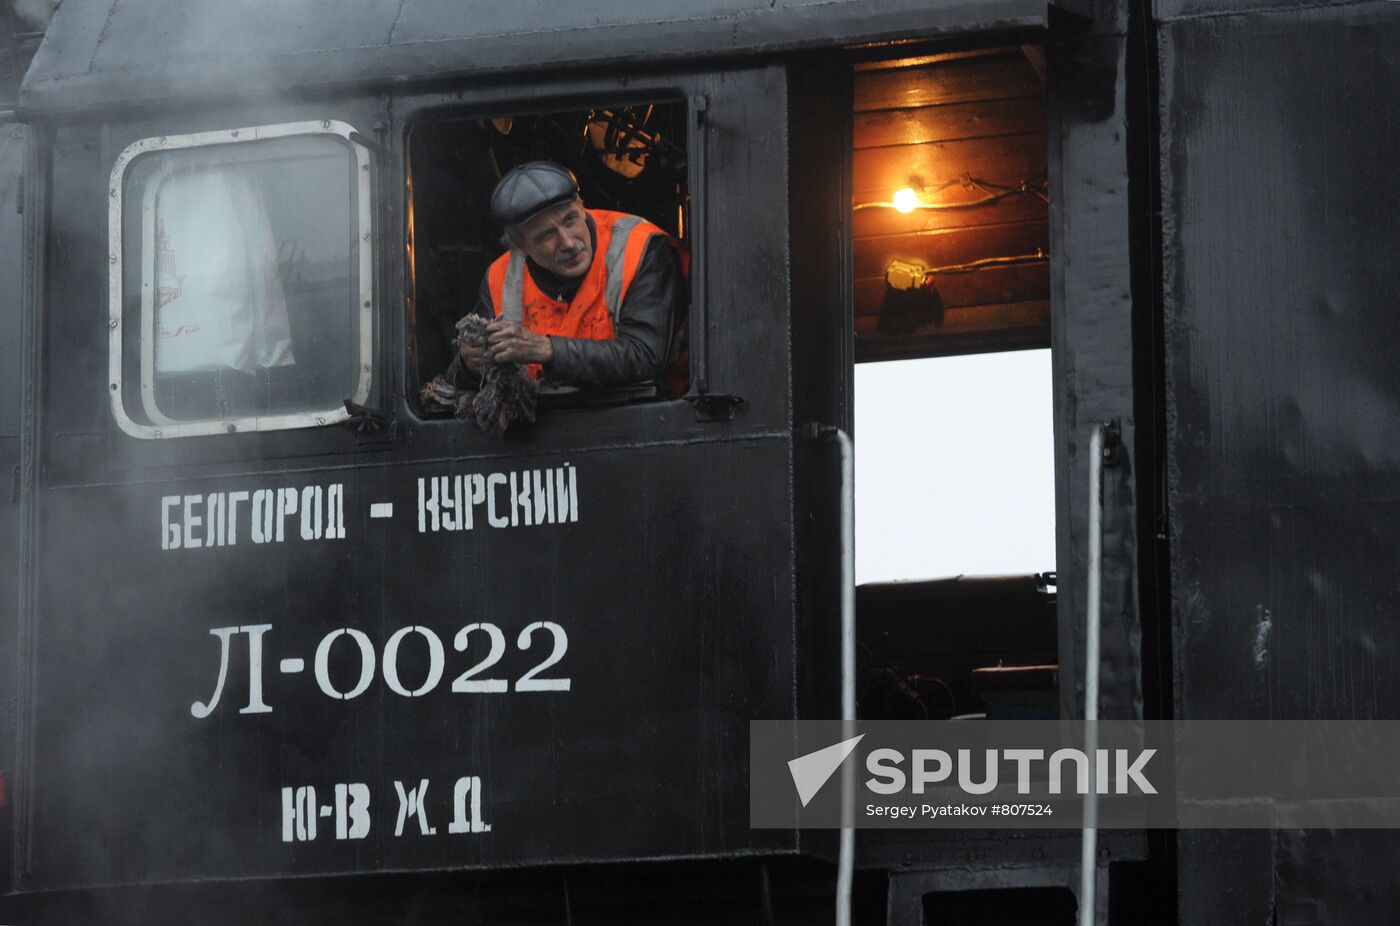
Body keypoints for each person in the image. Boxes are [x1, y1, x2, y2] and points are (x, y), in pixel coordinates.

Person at [446, 161, 685, 391]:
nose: (568, 243)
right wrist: (470, 366)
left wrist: (548, 350)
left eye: (570, 220)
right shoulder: (500, 278)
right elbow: (458, 381)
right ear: (519, 247)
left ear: (581, 205)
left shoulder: (638, 247)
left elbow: (646, 357)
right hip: (541, 428)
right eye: (546, 235)